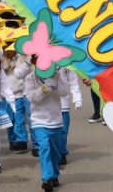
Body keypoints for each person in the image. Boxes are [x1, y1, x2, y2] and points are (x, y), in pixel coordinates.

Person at [24, 59, 69, 192]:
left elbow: (65, 91)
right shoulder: (30, 78)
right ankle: (47, 178)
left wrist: (55, 86)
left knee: (55, 152)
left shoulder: (56, 75)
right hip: (39, 120)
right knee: (44, 147)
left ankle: (54, 175)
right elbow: (31, 97)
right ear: (34, 61)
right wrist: (43, 89)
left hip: (55, 120)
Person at [3, 47, 32, 151]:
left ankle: (21, 140)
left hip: (19, 94)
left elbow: (22, 72)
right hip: (7, 95)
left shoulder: (20, 58)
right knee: (10, 119)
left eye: (9, 48)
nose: (7, 51)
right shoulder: (2, 61)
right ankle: (12, 141)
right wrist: (4, 67)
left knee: (18, 118)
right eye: (4, 48)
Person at [58, 67, 83, 165]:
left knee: (63, 131)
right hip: (50, 106)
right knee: (52, 133)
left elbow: (73, 83)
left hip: (64, 104)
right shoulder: (45, 64)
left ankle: (62, 153)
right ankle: (54, 154)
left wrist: (77, 99)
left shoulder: (67, 66)